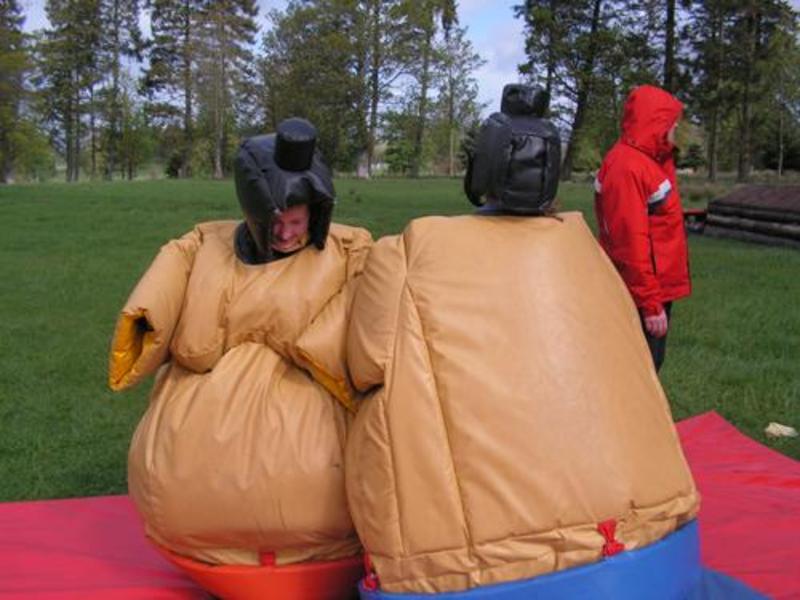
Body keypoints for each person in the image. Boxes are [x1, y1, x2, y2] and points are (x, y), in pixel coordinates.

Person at [344, 85, 699, 596]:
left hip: (471, 568)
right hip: (649, 541)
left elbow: (362, 365)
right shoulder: (585, 250)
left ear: (481, 172)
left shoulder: (411, 253)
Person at [107, 118, 371, 595]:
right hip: (209, 495)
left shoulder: (350, 252)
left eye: (297, 222)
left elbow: (376, 312)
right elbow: (155, 300)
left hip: (304, 505)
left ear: (317, 213)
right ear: (254, 212)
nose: (286, 234)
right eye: (277, 223)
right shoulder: (202, 246)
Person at [593, 84, 691, 372]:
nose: (676, 128)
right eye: (672, 122)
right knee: (638, 372)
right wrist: (650, 304)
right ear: (656, 121)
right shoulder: (629, 167)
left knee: (645, 368)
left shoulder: (647, 161)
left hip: (653, 289)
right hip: (641, 293)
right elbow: (629, 243)